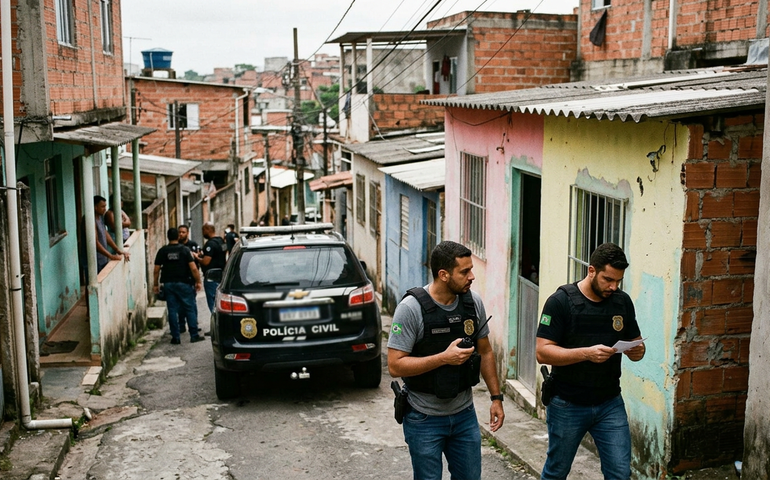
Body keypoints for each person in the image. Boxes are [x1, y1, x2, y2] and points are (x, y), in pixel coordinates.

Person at [387, 240, 505, 480]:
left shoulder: (472, 304)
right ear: (443, 274)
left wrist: (496, 398)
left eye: (471, 269)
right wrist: (443, 358)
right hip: (423, 417)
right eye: (464, 271)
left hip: (464, 415)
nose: (472, 276)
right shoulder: (411, 309)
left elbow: (486, 351)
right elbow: (395, 365)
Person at [536, 242, 645, 480]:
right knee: (556, 471)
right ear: (591, 270)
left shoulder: (622, 301)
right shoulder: (560, 301)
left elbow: (636, 342)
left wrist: (637, 351)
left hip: (609, 403)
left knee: (619, 473)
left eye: (618, 281)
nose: (613, 287)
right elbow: (542, 352)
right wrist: (586, 353)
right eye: (608, 279)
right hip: (567, 403)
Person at [153, 228, 204, 345]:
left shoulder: (163, 251)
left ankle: (175, 337)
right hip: (184, 283)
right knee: (189, 308)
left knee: (172, 310)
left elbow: (156, 270)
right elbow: (193, 268)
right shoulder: (185, 250)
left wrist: (155, 284)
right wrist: (198, 281)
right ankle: (194, 335)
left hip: (169, 284)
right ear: (178, 237)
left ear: (168, 237)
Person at [196, 222, 227, 312]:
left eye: (203, 230)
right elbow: (224, 254)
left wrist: (197, 258)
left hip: (211, 277)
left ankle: (216, 322)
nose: (202, 233)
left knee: (213, 304)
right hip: (221, 275)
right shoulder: (222, 241)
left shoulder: (210, 244)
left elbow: (206, 262)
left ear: (208, 230)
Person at [93, 195, 130, 273]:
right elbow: (95, 242)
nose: (105, 209)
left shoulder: (99, 218)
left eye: (105, 206)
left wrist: (118, 250)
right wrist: (110, 256)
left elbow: (105, 234)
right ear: (95, 207)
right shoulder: (91, 220)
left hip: (102, 258)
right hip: (94, 259)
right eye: (102, 207)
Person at [177, 224, 202, 335]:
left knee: (192, 302)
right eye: (179, 232)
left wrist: (197, 255)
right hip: (180, 278)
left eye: (183, 232)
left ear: (187, 233)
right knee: (180, 304)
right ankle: (181, 325)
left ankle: (194, 324)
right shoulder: (176, 246)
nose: (181, 234)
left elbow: (200, 256)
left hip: (190, 278)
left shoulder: (193, 245)